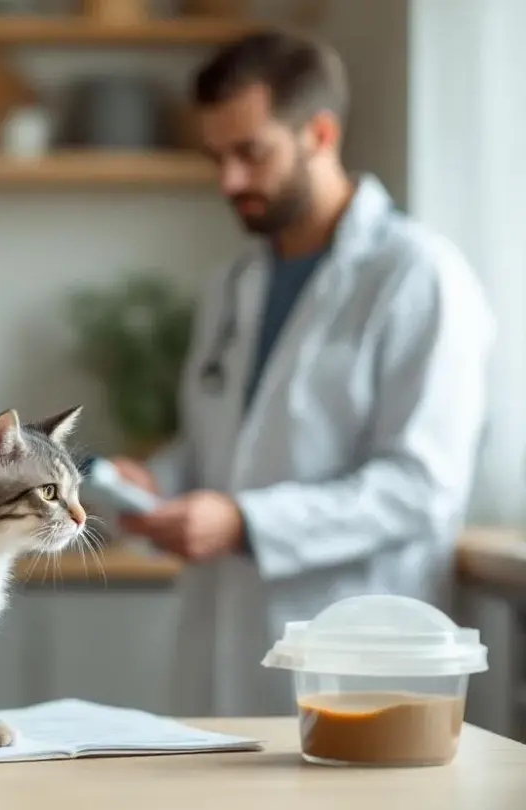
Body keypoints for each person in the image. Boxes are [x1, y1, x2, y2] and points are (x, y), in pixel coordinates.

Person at [111, 30, 495, 717]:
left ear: (319, 133)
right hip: (222, 645)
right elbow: (221, 452)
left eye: (250, 153)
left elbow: (421, 488)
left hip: (354, 653)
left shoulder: (417, 276)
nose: (229, 182)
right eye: (217, 158)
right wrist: (156, 484)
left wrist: (245, 523)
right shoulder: (233, 284)